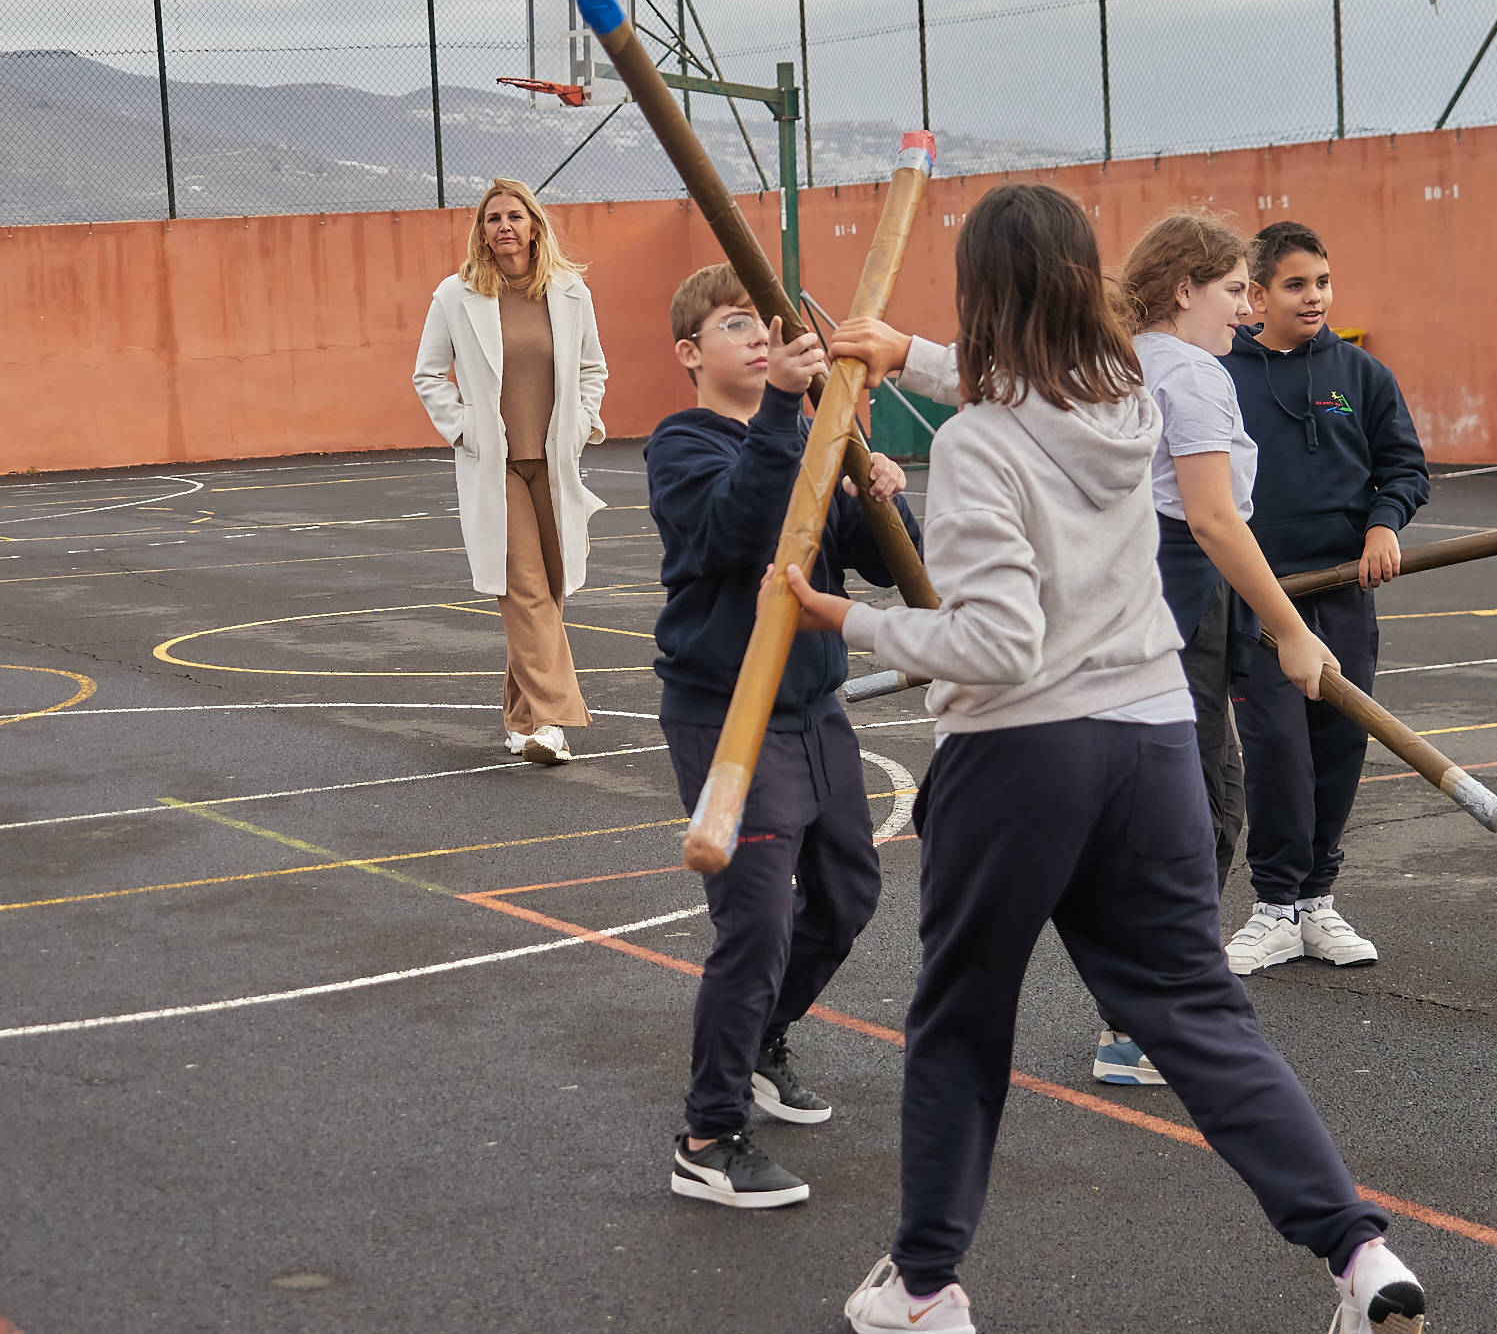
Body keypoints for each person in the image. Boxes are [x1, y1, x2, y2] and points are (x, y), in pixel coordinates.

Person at [816, 187, 1425, 1334]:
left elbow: (991, 643)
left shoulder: (983, 443)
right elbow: (1023, 374)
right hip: (1149, 743)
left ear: (981, 295)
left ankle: (922, 1284)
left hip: (1019, 753)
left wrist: (841, 621)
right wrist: (900, 351)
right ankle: (1355, 1253)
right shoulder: (1134, 402)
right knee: (1197, 1011)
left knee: (960, 1017)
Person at [645, 262, 918, 1210]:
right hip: (727, 713)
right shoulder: (682, 444)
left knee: (846, 895)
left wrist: (880, 490)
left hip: (812, 710)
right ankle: (709, 1135)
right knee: (754, 921)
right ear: (691, 354)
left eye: (764, 323)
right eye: (732, 326)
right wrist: (787, 418)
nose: (758, 337)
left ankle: (764, 1038)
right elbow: (734, 531)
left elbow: (878, 567)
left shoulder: (811, 438)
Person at [1088, 210, 1341, 1087]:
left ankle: (1154, 1008)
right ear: (1183, 288)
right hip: (1177, 597)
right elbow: (1212, 518)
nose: (1245, 308)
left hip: (1155, 597)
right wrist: (1292, 629)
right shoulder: (1190, 376)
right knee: (1191, 810)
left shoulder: (1123, 361)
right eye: (1236, 290)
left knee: (1200, 802)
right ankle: (1147, 1020)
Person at [1219, 223, 1429, 975]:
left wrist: (1383, 526)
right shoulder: (1221, 374)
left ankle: (1316, 902)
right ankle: (1273, 906)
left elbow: (1405, 469)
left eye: (1323, 283)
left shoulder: (1362, 374)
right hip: (1259, 600)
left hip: (1343, 591)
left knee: (1340, 744)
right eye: (1297, 285)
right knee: (1278, 749)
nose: (1314, 298)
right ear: (1258, 294)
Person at [412, 178, 608, 764]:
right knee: (523, 588)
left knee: (551, 587)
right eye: (493, 218)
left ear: (534, 226)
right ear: (482, 232)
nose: (504, 226)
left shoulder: (570, 293)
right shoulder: (456, 295)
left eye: (515, 216)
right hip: (494, 465)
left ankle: (520, 722)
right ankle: (552, 722)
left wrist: (581, 421)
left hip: (554, 459)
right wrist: (466, 428)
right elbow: (427, 374)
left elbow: (593, 368)